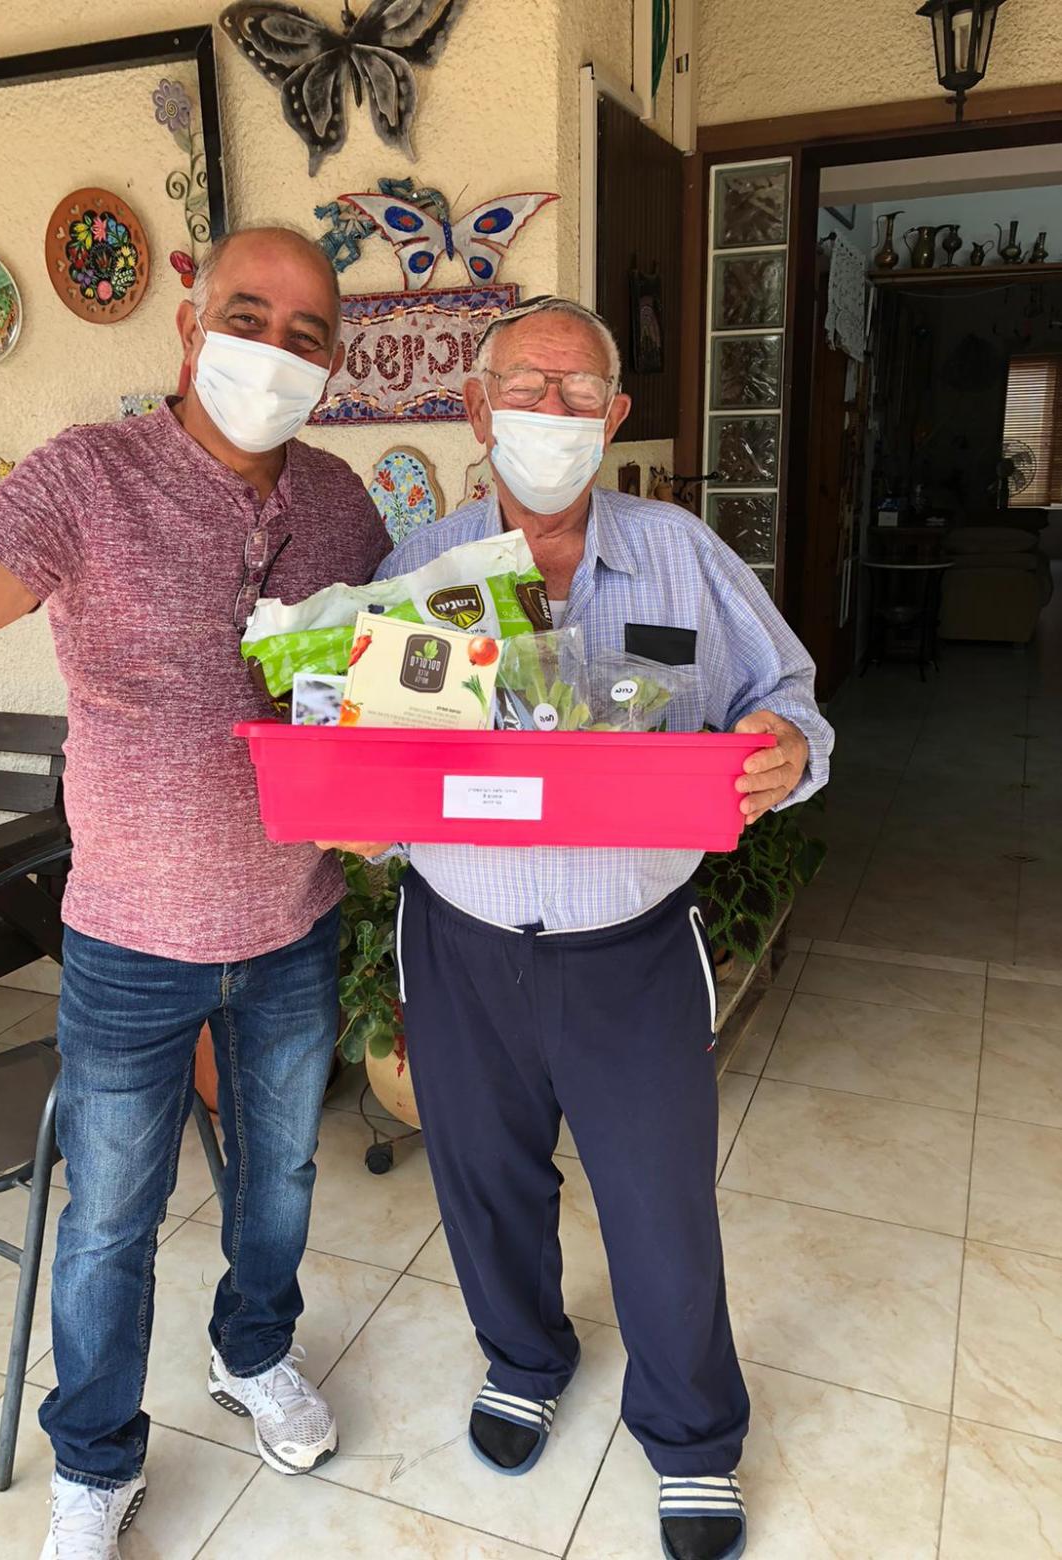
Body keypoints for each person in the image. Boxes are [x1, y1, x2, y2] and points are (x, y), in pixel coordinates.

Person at [0, 226, 391, 1560]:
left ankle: (252, 1352)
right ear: (189, 324)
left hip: (294, 924)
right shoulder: (87, 477)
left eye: (307, 335)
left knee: (280, 1179)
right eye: (249, 316)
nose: (274, 351)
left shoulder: (342, 504)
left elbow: (395, 681)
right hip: (128, 941)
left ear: (331, 365)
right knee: (110, 1219)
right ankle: (96, 1458)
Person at [334, 296, 833, 1560]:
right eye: (526, 388)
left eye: (577, 394)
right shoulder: (421, 570)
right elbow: (372, 756)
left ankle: (693, 1436)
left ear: (614, 418)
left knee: (661, 1207)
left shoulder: (682, 555)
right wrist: (354, 808)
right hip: (461, 941)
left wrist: (786, 745)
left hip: (633, 946)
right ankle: (523, 1360)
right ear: (477, 408)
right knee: (484, 1183)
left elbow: (789, 695)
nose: (550, 414)